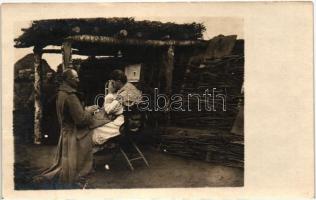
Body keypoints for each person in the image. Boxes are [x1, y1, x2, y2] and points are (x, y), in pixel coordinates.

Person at [33, 69, 98, 188]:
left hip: (65, 132)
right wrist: (89, 111)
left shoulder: (61, 92)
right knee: (90, 135)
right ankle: (80, 173)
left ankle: (54, 175)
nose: (78, 80)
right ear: (68, 80)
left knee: (64, 163)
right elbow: (81, 120)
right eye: (76, 78)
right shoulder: (70, 96)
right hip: (73, 133)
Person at [92, 70, 142, 146]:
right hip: (137, 122)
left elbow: (109, 110)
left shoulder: (124, 94)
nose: (112, 84)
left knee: (95, 130)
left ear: (118, 81)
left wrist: (110, 92)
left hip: (126, 125)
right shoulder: (131, 88)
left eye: (112, 82)